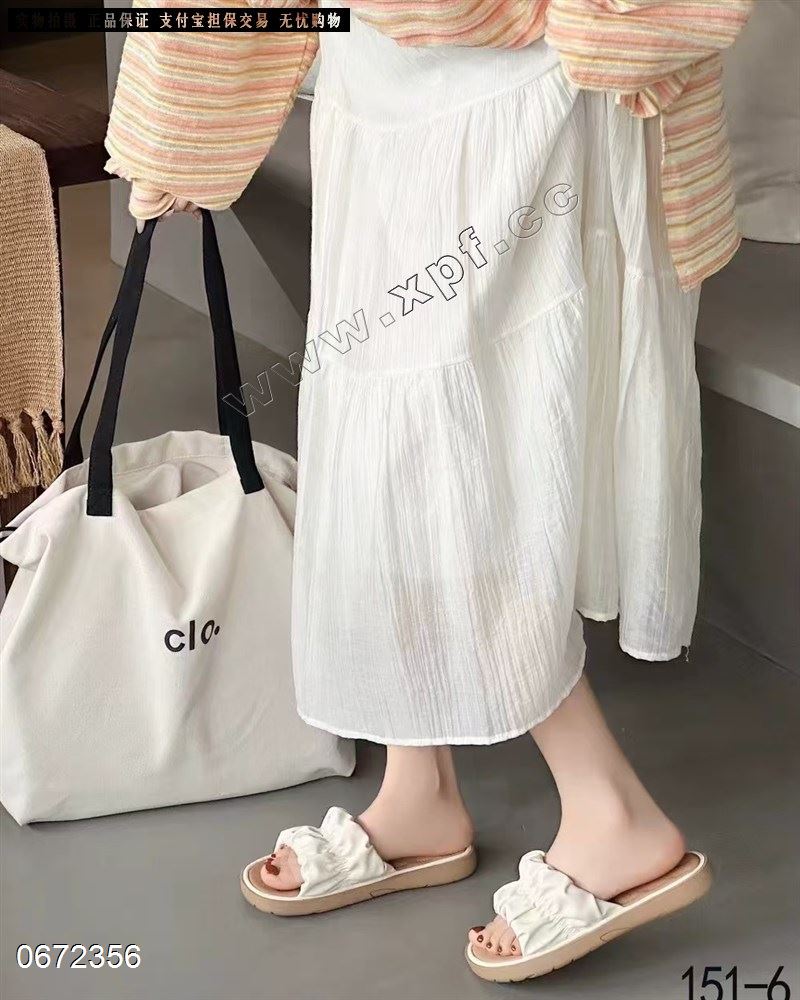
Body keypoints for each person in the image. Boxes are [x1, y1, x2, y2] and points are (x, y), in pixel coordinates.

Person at [106, 0, 752, 982]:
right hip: (378, 74)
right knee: (379, 441)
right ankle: (419, 789)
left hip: (520, 83)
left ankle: (609, 807)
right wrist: (186, 104)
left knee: (458, 449)